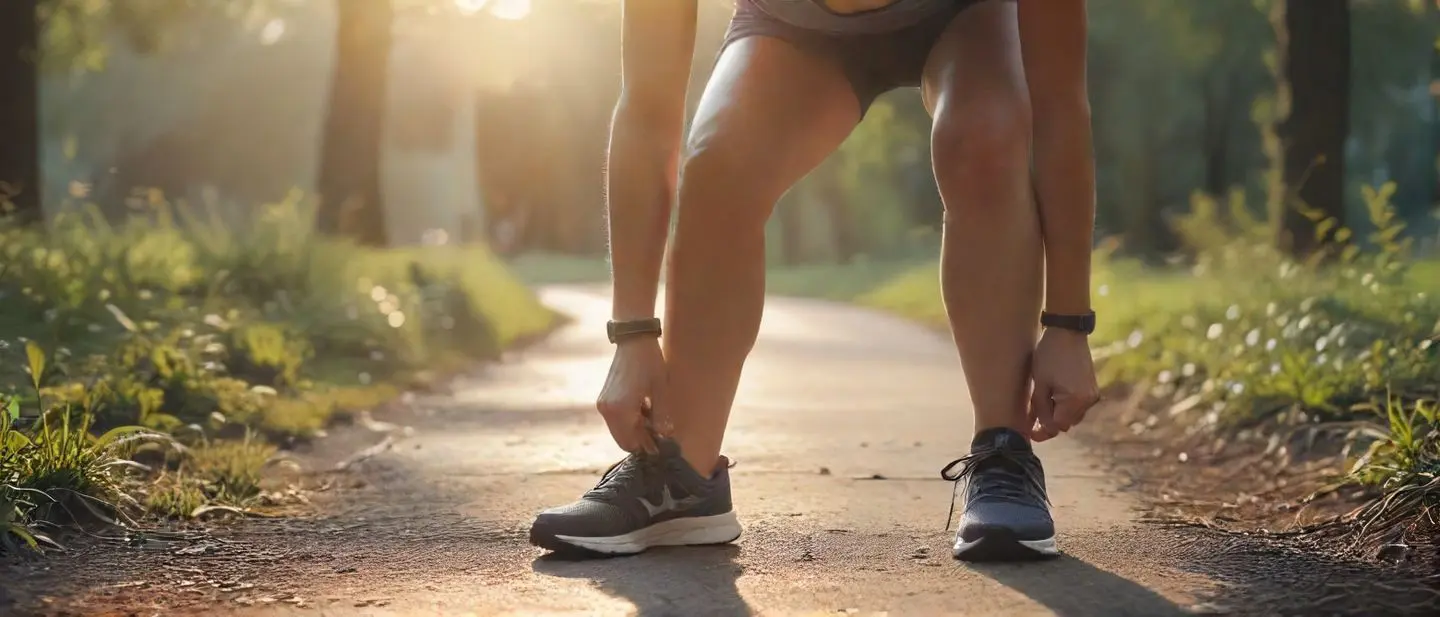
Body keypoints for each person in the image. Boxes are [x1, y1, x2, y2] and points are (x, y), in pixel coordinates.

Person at [529, 0, 1100, 562]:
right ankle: (681, 473)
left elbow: (1059, 105)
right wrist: (631, 334)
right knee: (719, 158)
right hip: (794, 25)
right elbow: (648, 112)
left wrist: (1069, 325)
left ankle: (1003, 452)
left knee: (985, 133)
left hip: (966, 14)